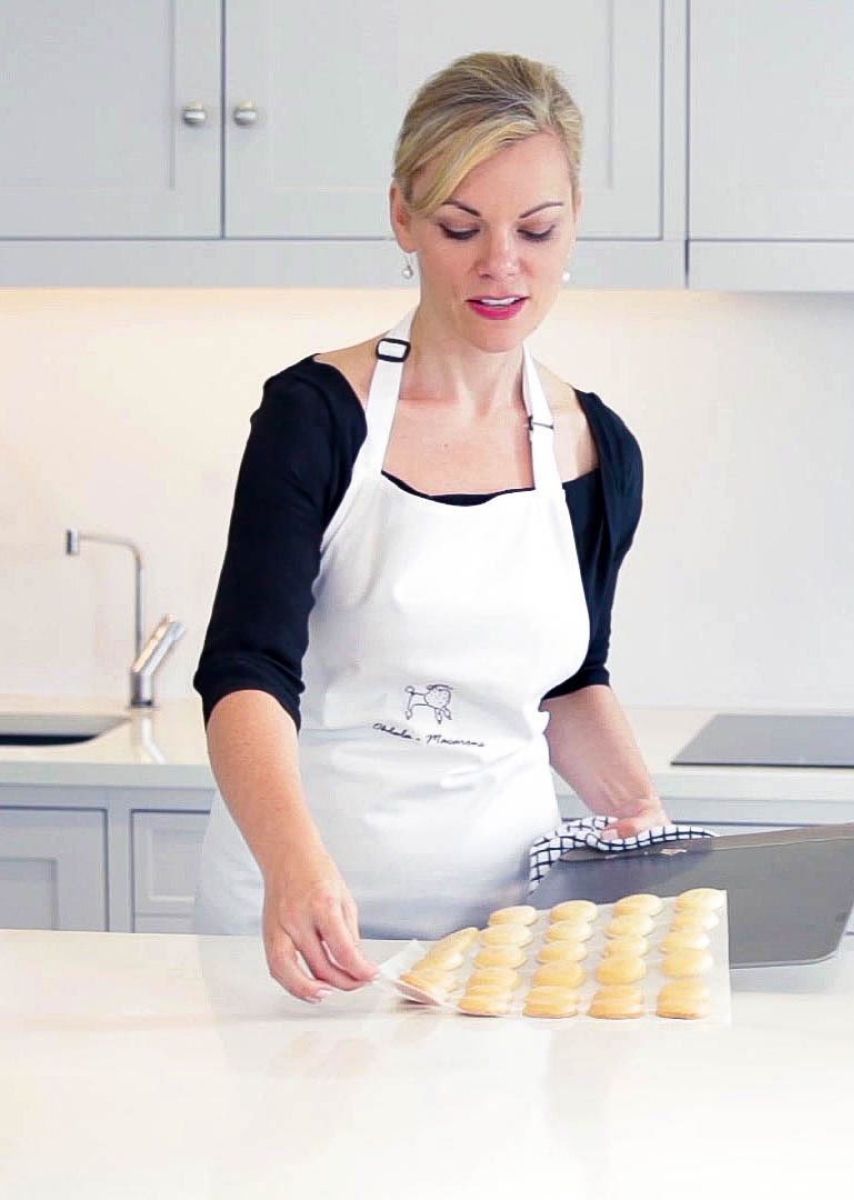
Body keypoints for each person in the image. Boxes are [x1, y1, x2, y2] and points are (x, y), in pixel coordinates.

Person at [191, 51, 669, 1003]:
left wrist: (641, 817)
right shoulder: (317, 416)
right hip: (306, 929)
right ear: (403, 217)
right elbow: (245, 670)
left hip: (508, 942)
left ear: (574, 226)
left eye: (538, 229)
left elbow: (570, 680)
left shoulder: (594, 447)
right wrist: (295, 866)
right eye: (461, 226)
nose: (502, 265)